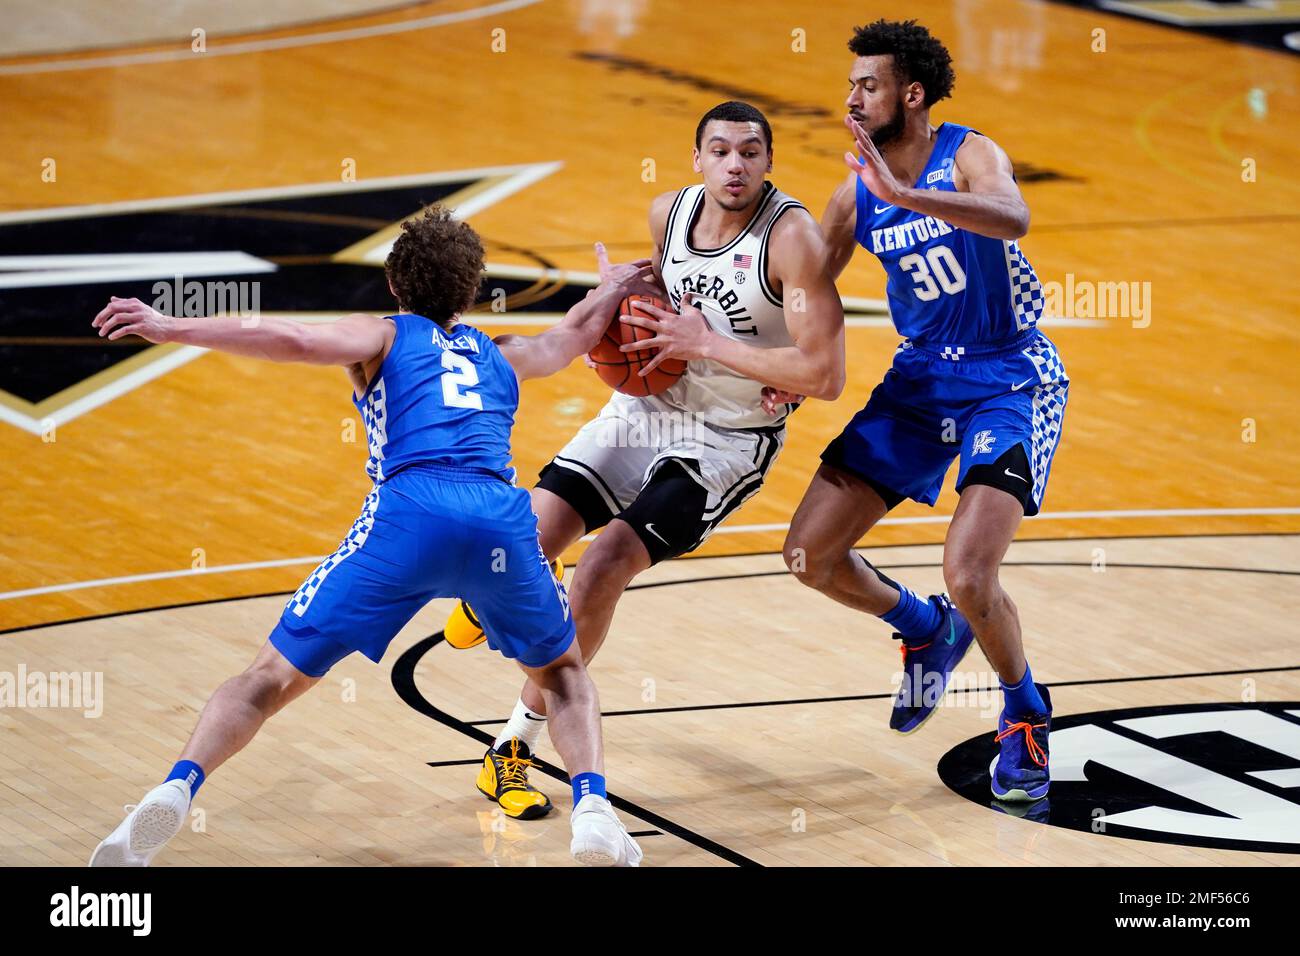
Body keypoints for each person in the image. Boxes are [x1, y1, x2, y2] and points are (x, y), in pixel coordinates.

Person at [88, 206, 657, 866]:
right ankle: (592, 810)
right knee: (561, 674)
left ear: (395, 284)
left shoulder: (383, 336)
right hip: (502, 519)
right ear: (471, 291)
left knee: (268, 677)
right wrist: (613, 286)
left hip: (411, 516)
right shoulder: (504, 353)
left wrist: (170, 326)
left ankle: (175, 791)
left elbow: (292, 340)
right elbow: (576, 331)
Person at [443, 101, 846, 819]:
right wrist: (617, 304)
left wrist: (712, 347)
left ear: (768, 162)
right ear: (697, 160)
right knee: (523, 539)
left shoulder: (793, 240)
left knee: (601, 567)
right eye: (719, 151)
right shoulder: (669, 215)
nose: (734, 164)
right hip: (645, 411)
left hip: (725, 437)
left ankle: (510, 750)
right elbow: (668, 306)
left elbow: (827, 375)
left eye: (750, 152)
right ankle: (491, 597)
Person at [782, 20, 1067, 802]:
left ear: (910, 95)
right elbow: (809, 294)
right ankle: (923, 627)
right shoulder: (852, 195)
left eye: (866, 85)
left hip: (1010, 378)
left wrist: (907, 196)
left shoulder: (969, 153)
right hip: (919, 384)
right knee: (807, 554)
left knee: (972, 572)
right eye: (851, 84)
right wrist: (762, 363)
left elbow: (1013, 217)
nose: (851, 97)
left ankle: (1024, 712)